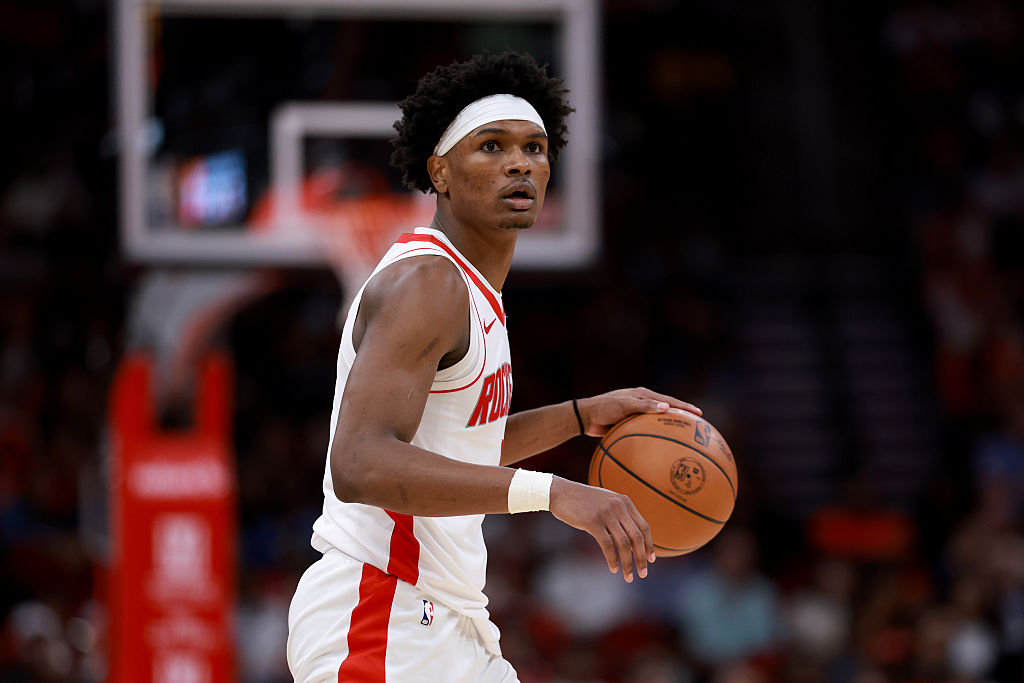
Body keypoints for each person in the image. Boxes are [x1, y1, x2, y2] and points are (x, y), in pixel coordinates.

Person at [286, 51, 701, 682]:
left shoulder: (473, 289)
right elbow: (359, 463)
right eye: (492, 146)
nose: (519, 163)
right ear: (440, 171)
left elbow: (459, 447)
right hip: (381, 610)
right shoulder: (429, 282)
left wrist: (580, 415)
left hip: (443, 617)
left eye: (535, 148)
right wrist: (552, 493)